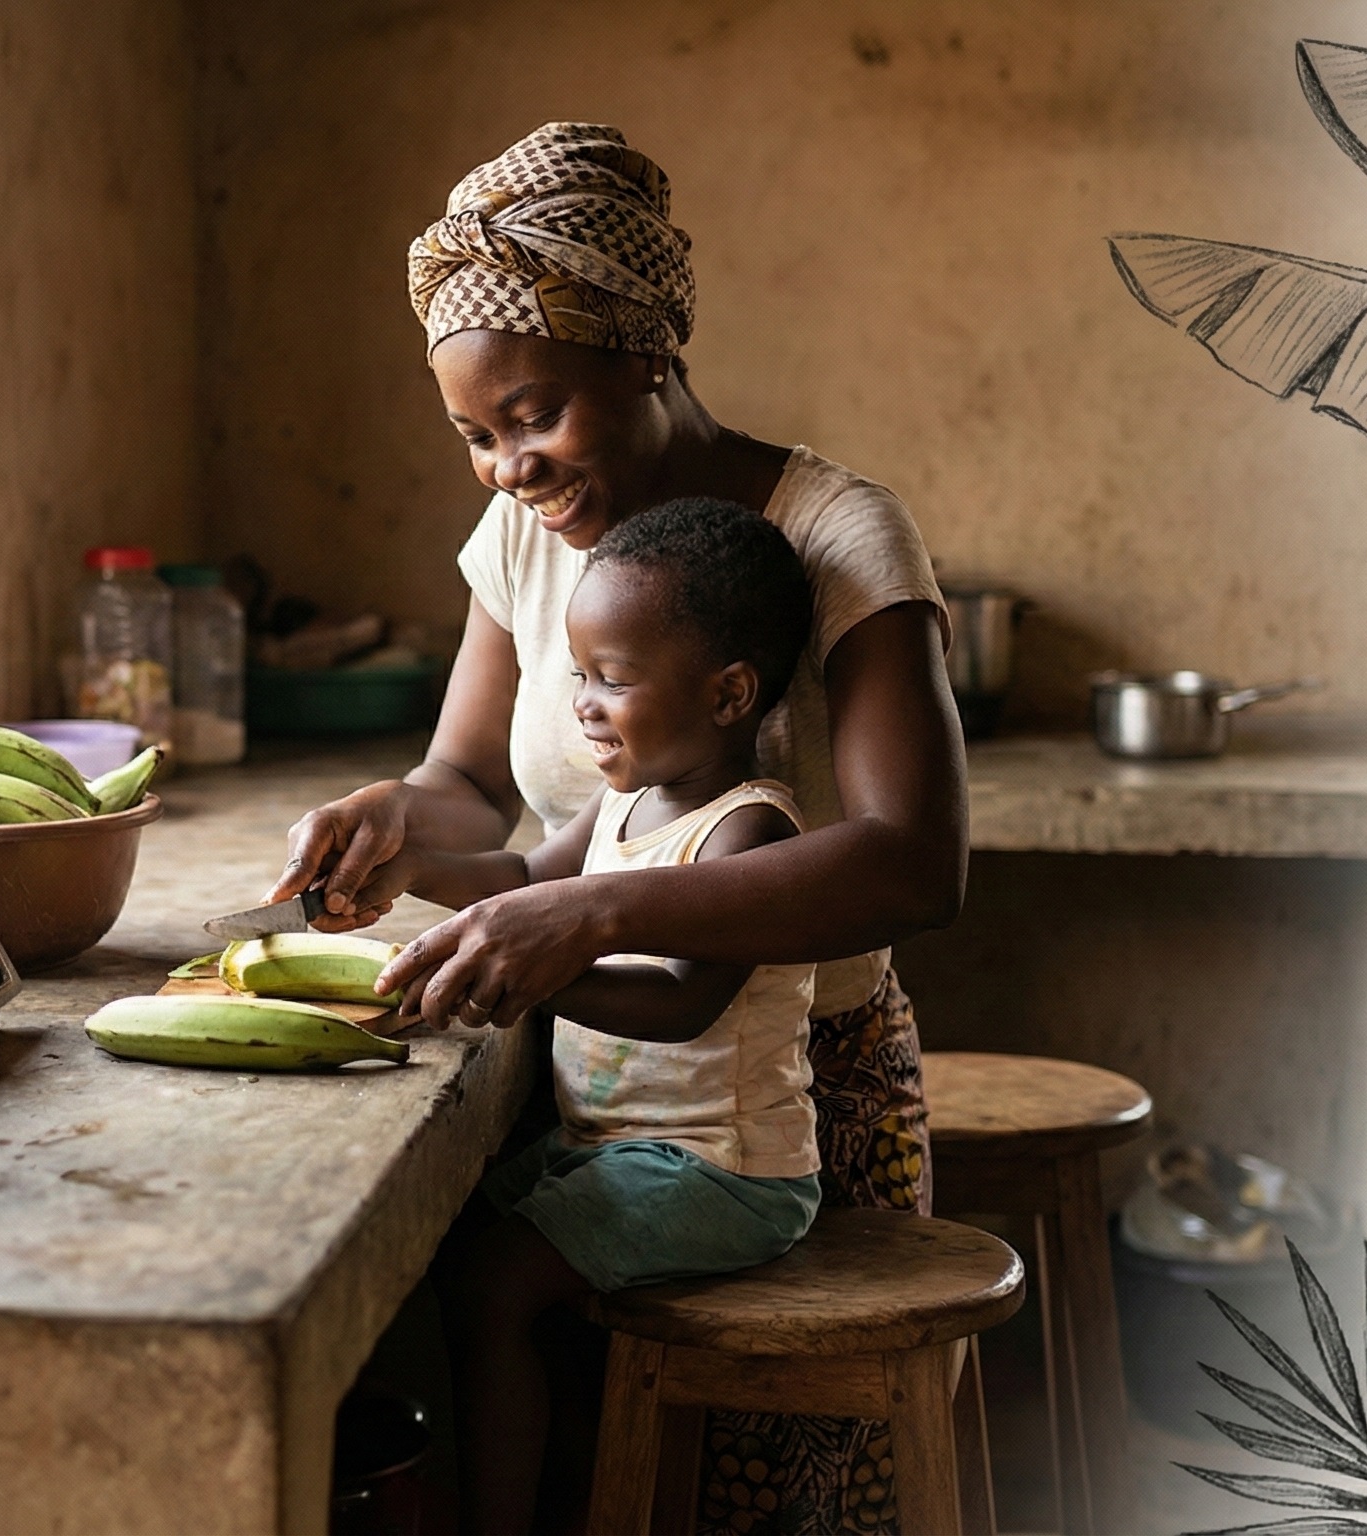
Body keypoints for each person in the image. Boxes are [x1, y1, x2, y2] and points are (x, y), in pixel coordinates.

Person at [267, 122, 966, 1534]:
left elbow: (914, 861)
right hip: (597, 1081)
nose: (506, 468)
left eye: (531, 416)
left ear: (644, 351)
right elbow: (467, 785)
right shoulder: (531, 543)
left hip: (780, 1106)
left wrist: (588, 912)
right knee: (594, 1454)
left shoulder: (837, 538)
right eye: (474, 436)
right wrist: (387, 829)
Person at [391, 497, 823, 1534]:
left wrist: (526, 977)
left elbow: (681, 1003)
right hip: (617, 1149)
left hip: (719, 1169)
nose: (583, 704)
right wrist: (403, 866)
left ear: (726, 694)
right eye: (577, 675)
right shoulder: (622, 800)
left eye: (613, 679)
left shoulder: (746, 830)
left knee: (494, 1290)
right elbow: (521, 875)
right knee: (446, 1250)